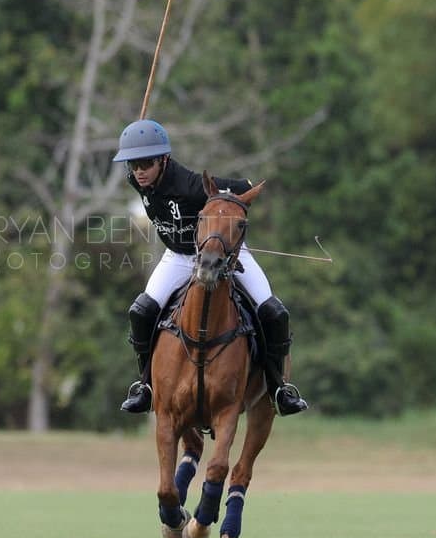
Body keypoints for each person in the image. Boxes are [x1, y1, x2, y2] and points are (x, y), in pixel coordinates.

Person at [113, 118, 308, 416]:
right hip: (177, 257)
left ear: (164, 159)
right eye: (133, 164)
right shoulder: (137, 180)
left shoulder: (191, 186)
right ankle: (145, 386)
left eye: (146, 163)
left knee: (274, 312)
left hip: (221, 256)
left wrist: (236, 200)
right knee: (141, 311)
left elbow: (244, 189)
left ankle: (279, 387)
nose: (139, 171)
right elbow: (137, 169)